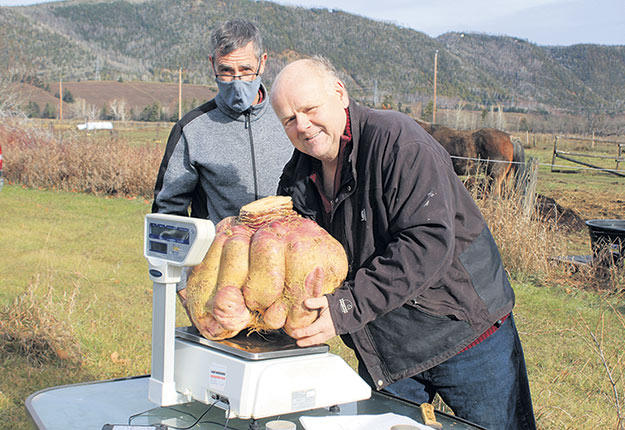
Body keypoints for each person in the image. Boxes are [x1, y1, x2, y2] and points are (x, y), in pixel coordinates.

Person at [270, 57, 536, 429]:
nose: (302, 125)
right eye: (288, 118)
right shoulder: (298, 176)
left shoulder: (398, 142)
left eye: (310, 109)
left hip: (461, 327)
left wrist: (345, 306)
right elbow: (295, 255)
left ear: (340, 94)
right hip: (386, 344)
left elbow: (427, 242)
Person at [152, 19, 293, 305]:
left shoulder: (291, 120)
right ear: (212, 65)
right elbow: (168, 212)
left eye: (245, 70)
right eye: (226, 72)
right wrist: (182, 286)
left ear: (262, 62)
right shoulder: (193, 129)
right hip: (219, 283)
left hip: (287, 281)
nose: (237, 81)